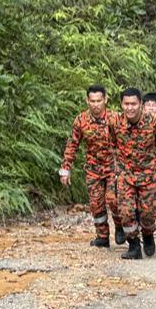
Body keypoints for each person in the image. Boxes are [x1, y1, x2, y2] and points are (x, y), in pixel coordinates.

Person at [59, 85, 123, 248]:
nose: (96, 104)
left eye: (99, 101)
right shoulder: (81, 120)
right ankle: (102, 236)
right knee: (96, 203)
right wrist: (65, 169)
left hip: (113, 166)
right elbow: (72, 144)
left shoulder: (116, 118)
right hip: (93, 168)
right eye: (92, 101)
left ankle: (120, 225)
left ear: (105, 100)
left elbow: (127, 142)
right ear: (87, 101)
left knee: (113, 198)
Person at [107, 88, 156, 259]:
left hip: (148, 174)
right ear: (121, 104)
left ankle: (148, 234)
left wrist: (154, 165)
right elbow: (112, 144)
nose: (130, 108)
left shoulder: (154, 122)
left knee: (148, 214)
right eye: (126, 104)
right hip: (126, 173)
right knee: (125, 211)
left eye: (133, 104)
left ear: (140, 104)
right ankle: (133, 245)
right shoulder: (114, 122)